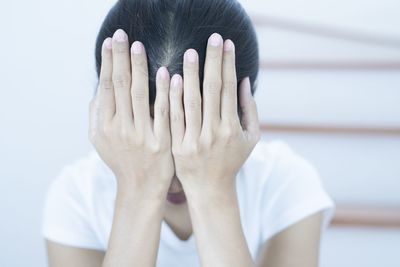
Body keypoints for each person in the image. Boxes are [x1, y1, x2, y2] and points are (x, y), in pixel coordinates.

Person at [42, 0, 335, 266]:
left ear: (245, 113)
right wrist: (138, 190)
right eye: (147, 138)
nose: (176, 164)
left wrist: (213, 193)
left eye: (199, 135)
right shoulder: (76, 197)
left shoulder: (287, 184)